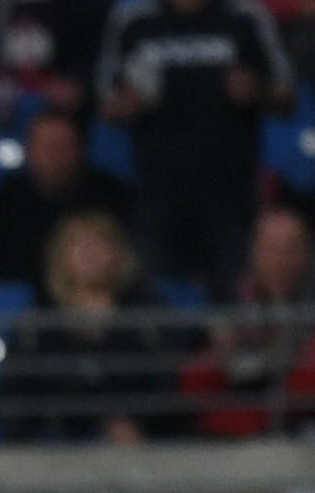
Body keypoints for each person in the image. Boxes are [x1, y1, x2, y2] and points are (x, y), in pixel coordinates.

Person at [96, 0, 295, 299]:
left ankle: (239, 347)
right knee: (160, 301)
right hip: (158, 190)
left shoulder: (246, 15)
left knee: (237, 297)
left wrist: (258, 91)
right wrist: (130, 102)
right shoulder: (134, 19)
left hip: (232, 191)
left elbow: (287, 95)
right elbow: (105, 103)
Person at [0, 208, 172, 443]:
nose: (89, 254)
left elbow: (169, 390)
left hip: (139, 450)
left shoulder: (149, 320)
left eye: (100, 243)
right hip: (55, 451)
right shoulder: (37, 325)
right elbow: (11, 396)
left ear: (119, 253)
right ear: (60, 257)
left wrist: (137, 427)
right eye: (78, 244)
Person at [182, 204, 315, 435]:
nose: (280, 260)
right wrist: (225, 347)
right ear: (255, 253)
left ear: (306, 254)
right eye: (271, 248)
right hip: (240, 410)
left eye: (290, 249)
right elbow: (199, 379)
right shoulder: (232, 298)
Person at [0, 108, 132, 297]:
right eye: (46, 145)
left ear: (81, 149)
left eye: (63, 145)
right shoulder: (6, 198)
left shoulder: (111, 197)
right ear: (30, 149)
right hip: (20, 308)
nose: (54, 154)